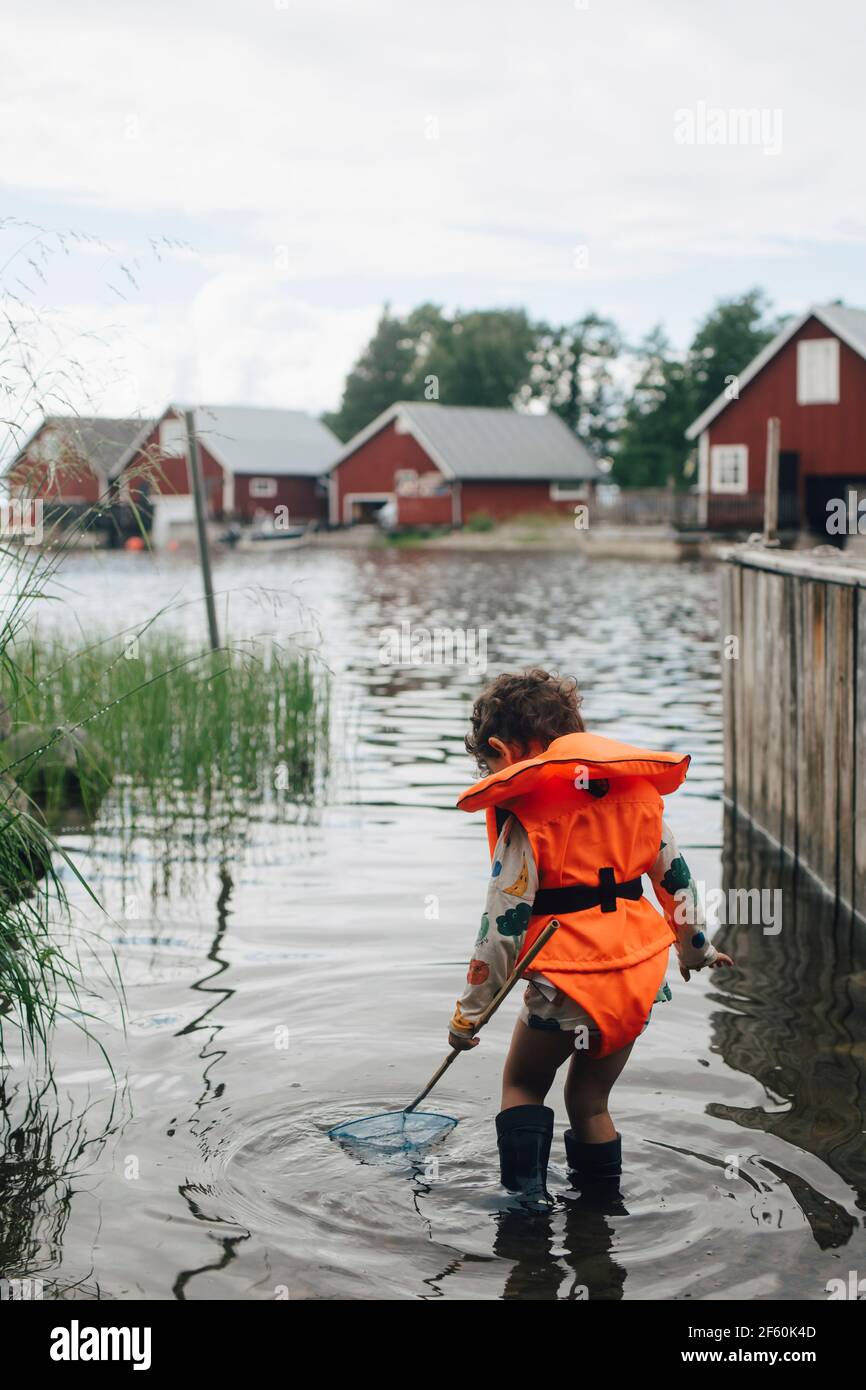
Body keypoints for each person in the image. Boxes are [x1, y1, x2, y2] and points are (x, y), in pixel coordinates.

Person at [448, 668, 733, 1207]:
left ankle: (525, 1214)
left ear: (500, 750)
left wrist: (469, 1016)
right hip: (637, 982)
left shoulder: (527, 815)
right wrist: (695, 949)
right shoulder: (637, 794)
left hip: (569, 983)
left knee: (523, 1085)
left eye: (489, 766)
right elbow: (677, 881)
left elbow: (502, 927)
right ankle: (601, 1214)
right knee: (591, 1101)